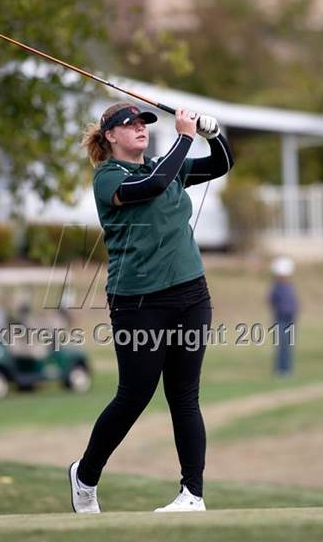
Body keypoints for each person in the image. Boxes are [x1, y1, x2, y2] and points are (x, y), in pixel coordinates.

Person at [68, 101, 234, 513]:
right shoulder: (107, 178)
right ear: (110, 136)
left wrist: (214, 135)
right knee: (134, 394)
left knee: (185, 396)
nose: (140, 128)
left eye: (144, 123)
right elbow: (153, 187)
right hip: (137, 303)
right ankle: (85, 475)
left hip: (192, 295)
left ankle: (192, 494)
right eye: (130, 124)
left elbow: (221, 165)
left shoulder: (165, 165)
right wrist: (184, 137)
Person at [269, 256, 299, 376]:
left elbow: (294, 302)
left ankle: (287, 369)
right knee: (281, 343)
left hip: (290, 318)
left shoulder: (290, 286)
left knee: (289, 344)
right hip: (280, 318)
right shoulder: (276, 287)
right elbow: (271, 300)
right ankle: (280, 369)